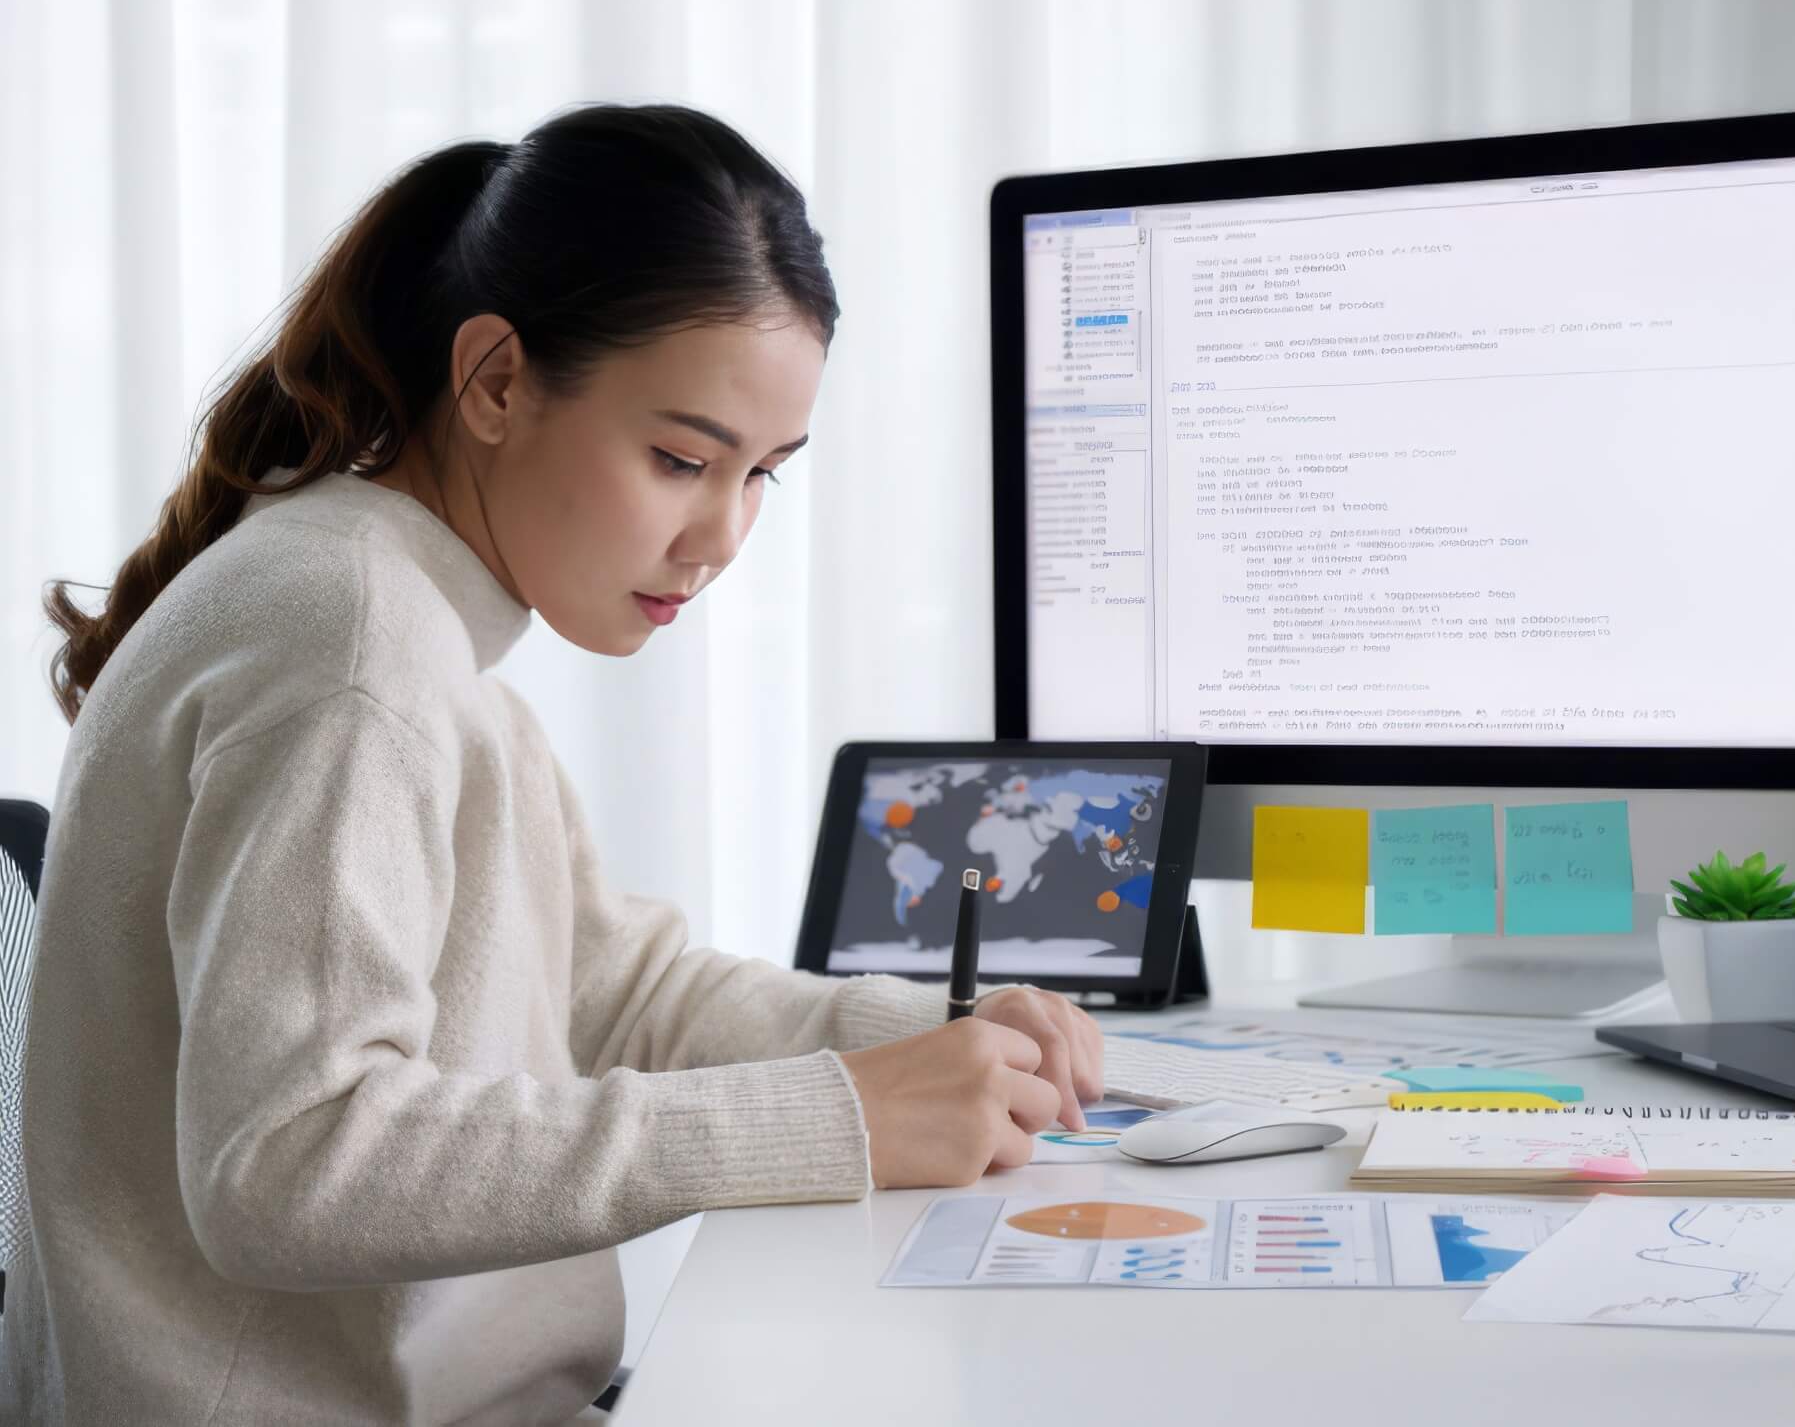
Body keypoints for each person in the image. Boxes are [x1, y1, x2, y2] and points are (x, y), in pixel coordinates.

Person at [2, 102, 1103, 1424]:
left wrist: (918, 1041)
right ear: (496, 382)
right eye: (683, 458)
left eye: (765, 475)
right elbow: (288, 1162)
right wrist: (832, 1119)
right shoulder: (353, 651)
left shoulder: (405, 621)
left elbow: (613, 991)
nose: (721, 537)